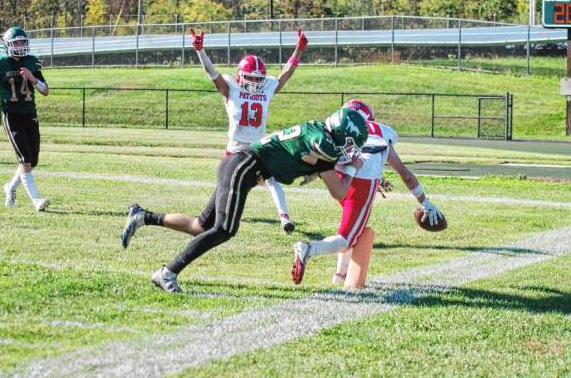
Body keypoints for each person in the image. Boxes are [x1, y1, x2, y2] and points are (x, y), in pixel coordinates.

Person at [119, 107, 369, 293]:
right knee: (224, 230)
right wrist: (352, 168)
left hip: (242, 166)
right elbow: (338, 191)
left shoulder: (319, 132)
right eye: (349, 144)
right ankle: (167, 273)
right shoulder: (323, 144)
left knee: (201, 227)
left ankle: (143, 216)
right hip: (245, 166)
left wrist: (343, 163)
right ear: (340, 133)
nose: (349, 150)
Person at [291, 99, 444, 289]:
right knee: (347, 239)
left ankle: (341, 275)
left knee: (351, 227)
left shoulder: (337, 124)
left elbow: (344, 154)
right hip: (362, 182)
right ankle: (308, 249)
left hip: (337, 176)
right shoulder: (381, 131)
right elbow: (404, 174)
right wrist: (425, 202)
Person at [188, 27, 308, 233]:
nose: (254, 82)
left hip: (257, 146)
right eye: (250, 78)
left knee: (271, 178)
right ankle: (212, 217)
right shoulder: (230, 87)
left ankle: (284, 217)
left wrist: (298, 50)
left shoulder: (266, 86)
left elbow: (286, 74)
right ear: (240, 76)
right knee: (226, 190)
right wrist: (200, 51)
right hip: (235, 148)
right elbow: (212, 73)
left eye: (257, 78)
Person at [0, 26, 51, 212]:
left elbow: (45, 91)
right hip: (12, 115)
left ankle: (10, 187)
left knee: (32, 161)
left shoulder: (32, 62)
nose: (20, 45)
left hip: (30, 114)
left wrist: (32, 78)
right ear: (8, 45)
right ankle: (36, 201)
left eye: (22, 42)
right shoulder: (0, 63)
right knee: (24, 158)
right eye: (16, 42)